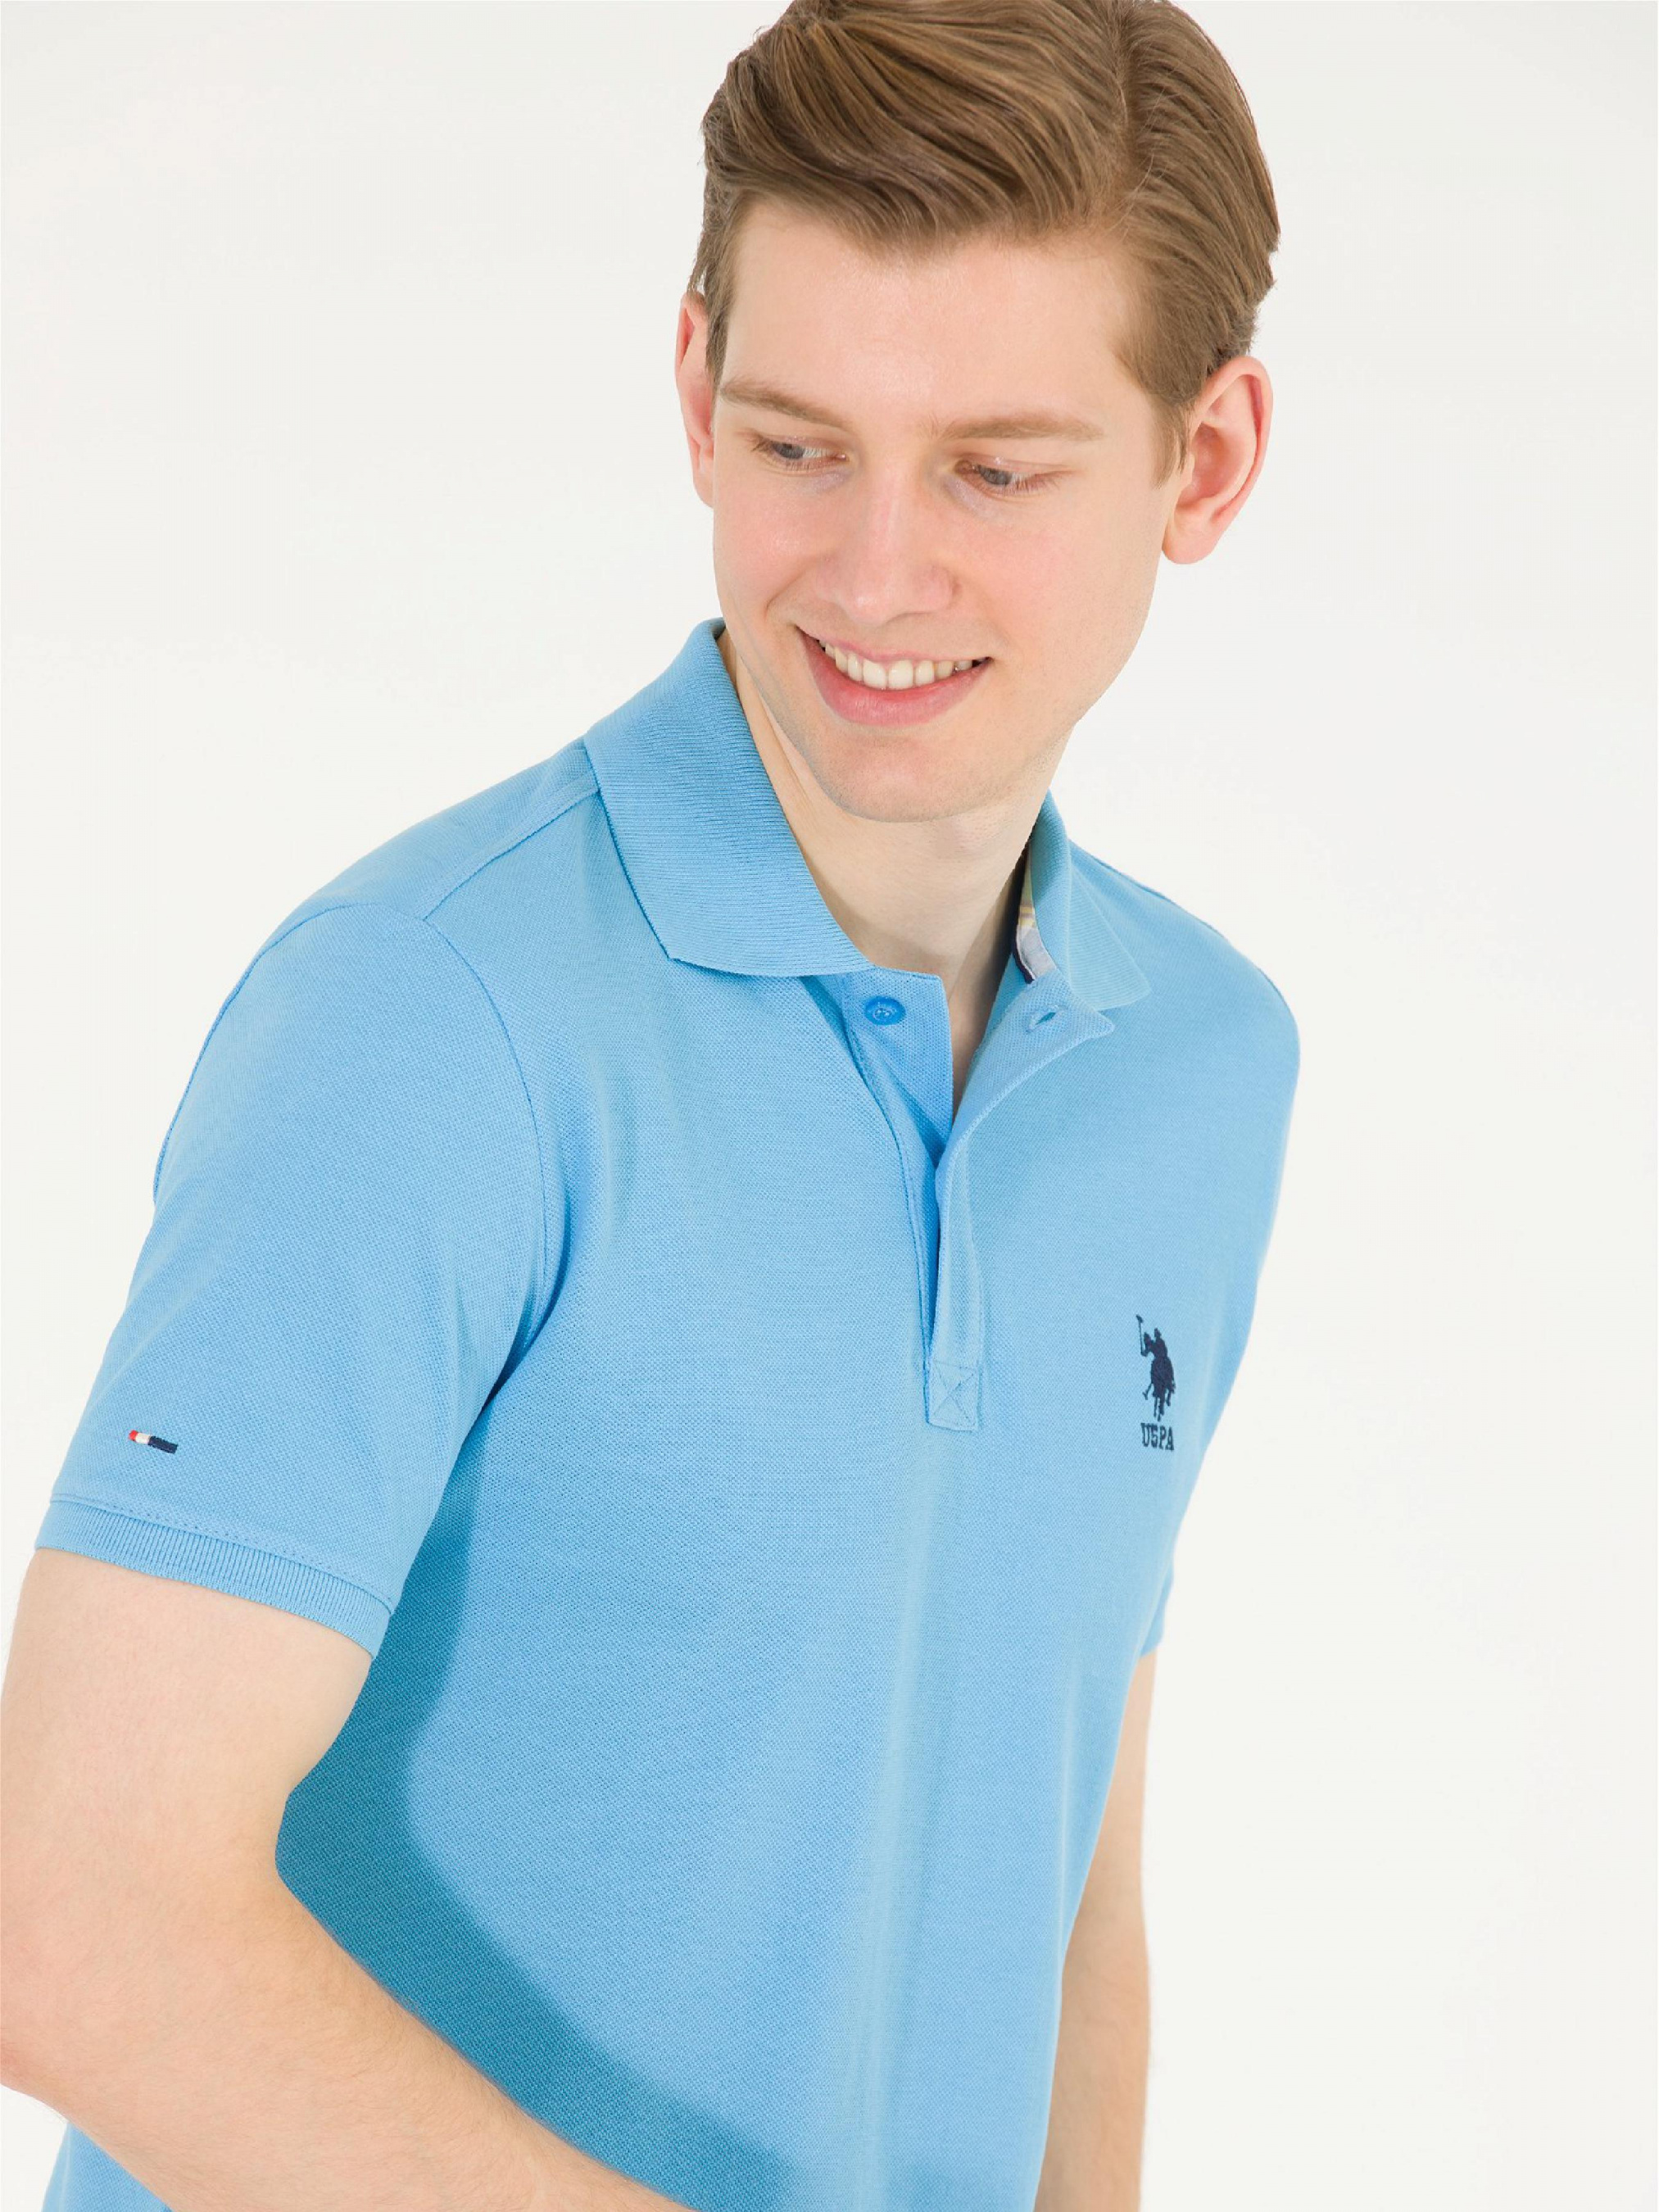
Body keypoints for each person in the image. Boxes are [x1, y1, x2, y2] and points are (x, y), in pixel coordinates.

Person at [0, 2, 1299, 2206]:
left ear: (1205, 461)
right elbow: (72, 1910)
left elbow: (1068, 1881)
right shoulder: (431, 1016)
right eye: (799, 444)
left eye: (992, 470)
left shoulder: (1197, 1067)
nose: (873, 575)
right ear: (696, 391)